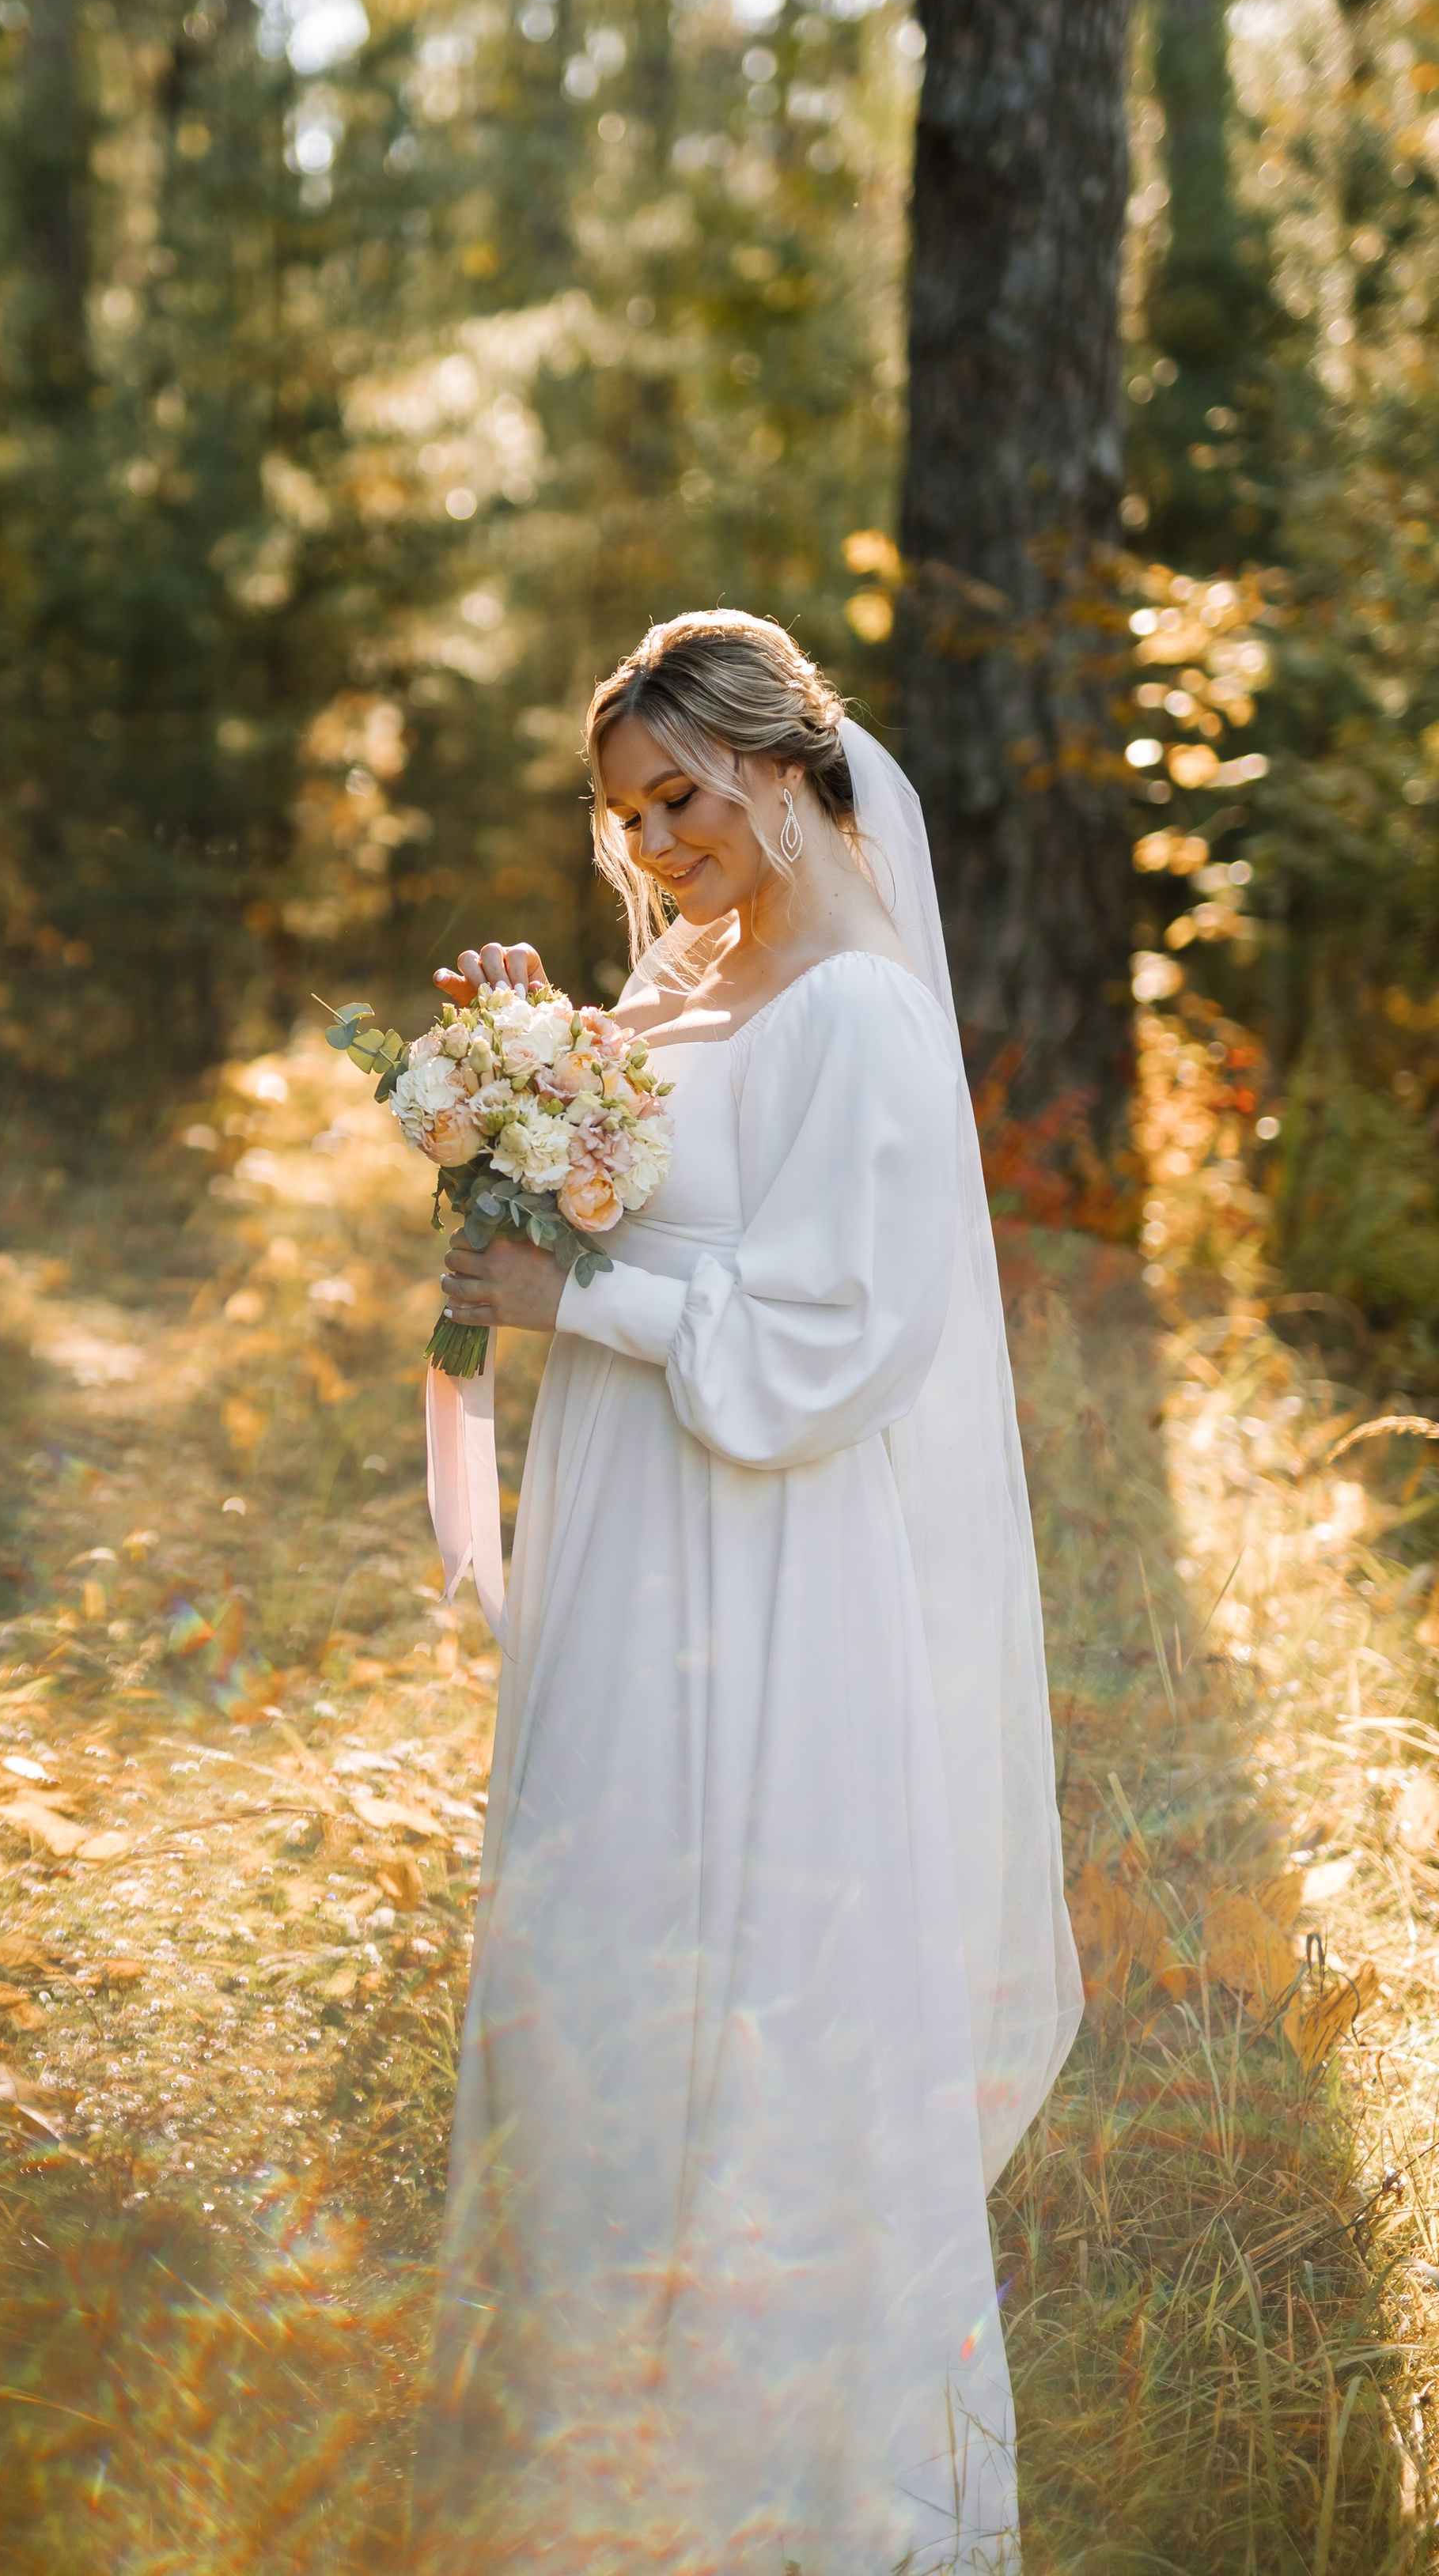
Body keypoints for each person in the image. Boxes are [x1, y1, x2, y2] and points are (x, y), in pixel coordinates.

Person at [410, 610, 1081, 2574]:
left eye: (682, 800)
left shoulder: (860, 1007)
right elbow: (618, 1179)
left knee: (753, 1986)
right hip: (633, 1544)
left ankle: (773, 2489)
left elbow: (836, 1341)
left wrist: (573, 1297)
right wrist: (531, 1060)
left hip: (767, 1572)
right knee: (602, 1945)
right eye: (627, 818)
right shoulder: (688, 977)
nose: (657, 846)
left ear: (786, 766)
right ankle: (584, 2452)